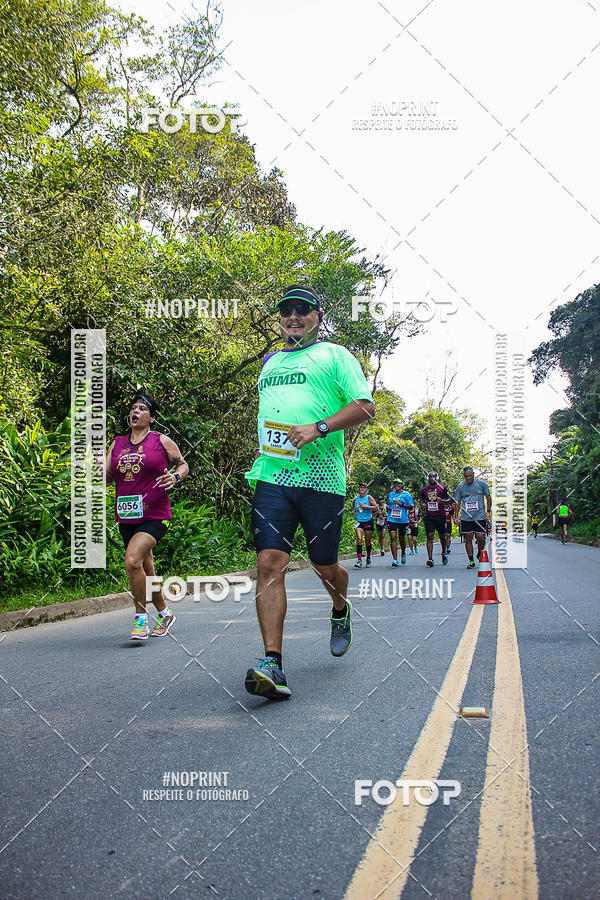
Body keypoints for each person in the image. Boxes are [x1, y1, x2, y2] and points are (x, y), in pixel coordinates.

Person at [244, 285, 375, 699]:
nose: (293, 317)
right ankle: (273, 664)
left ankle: (340, 608)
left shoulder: (336, 355)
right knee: (269, 563)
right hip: (273, 476)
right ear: (280, 318)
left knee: (324, 565)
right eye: (287, 311)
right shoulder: (269, 363)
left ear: (318, 316)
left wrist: (318, 428)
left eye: (303, 310)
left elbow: (366, 407)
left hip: (321, 478)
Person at [103, 392, 188, 639]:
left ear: (151, 417)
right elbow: (108, 478)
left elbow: (183, 465)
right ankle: (164, 614)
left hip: (155, 514)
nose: (135, 412)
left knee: (131, 561)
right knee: (146, 569)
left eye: (142, 409)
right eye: (133, 408)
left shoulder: (161, 441)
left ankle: (140, 619)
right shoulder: (117, 443)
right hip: (127, 516)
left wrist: (174, 477)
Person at [453, 466, 491, 568]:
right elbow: (457, 501)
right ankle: (471, 560)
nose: (468, 478)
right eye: (466, 476)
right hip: (466, 517)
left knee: (480, 537)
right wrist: (456, 516)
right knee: (468, 537)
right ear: (464, 476)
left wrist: (488, 511)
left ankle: (479, 552)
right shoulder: (460, 486)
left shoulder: (481, 484)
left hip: (479, 516)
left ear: (473, 474)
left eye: (470, 476)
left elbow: (488, 497)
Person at [421, 471, 451, 567]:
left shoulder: (442, 488)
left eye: (434, 476)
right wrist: (422, 504)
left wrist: (442, 501)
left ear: (437, 478)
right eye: (430, 476)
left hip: (440, 516)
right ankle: (430, 559)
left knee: (442, 536)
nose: (432, 478)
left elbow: (449, 501)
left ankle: (444, 552)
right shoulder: (425, 489)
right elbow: (421, 499)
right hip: (429, 516)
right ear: (427, 478)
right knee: (430, 536)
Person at [386, 478, 414, 566]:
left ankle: (403, 553)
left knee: (401, 538)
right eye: (395, 484)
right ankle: (394, 559)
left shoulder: (406, 494)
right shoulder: (391, 494)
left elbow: (411, 507)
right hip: (392, 518)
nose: (397, 485)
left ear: (401, 485)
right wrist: (388, 508)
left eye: (398, 483)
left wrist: (400, 504)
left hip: (403, 519)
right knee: (393, 537)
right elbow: (389, 504)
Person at [353, 484, 378, 567]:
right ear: (359, 489)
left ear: (366, 489)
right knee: (359, 539)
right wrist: (354, 512)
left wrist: (365, 506)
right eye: (361, 487)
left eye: (364, 487)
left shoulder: (369, 498)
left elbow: (376, 508)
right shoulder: (356, 499)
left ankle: (368, 558)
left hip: (368, 521)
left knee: (367, 541)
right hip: (359, 522)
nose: (362, 489)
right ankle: (359, 560)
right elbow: (354, 508)